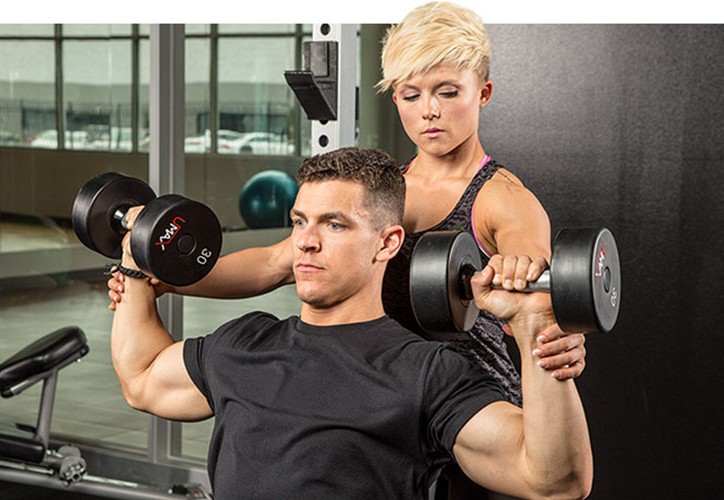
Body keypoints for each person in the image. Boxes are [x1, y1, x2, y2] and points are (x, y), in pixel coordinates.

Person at [109, 1, 587, 403]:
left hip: (467, 402)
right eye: (411, 94)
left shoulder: (503, 200)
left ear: (481, 93)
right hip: (384, 392)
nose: (430, 110)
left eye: (448, 92)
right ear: (394, 97)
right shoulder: (379, 189)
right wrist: (165, 279)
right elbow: (276, 263)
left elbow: (534, 288)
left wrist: (549, 324)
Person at [110, 147, 592, 499]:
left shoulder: (425, 373)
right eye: (300, 222)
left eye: (334, 225)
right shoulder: (246, 342)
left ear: (387, 244)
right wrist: (135, 262)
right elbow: (143, 377)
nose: (306, 242)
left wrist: (535, 329)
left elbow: (553, 479)